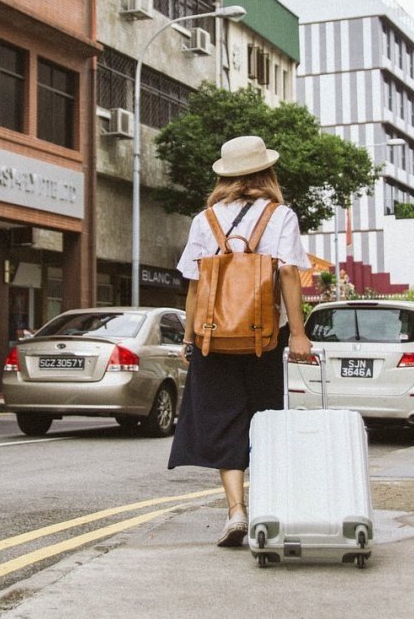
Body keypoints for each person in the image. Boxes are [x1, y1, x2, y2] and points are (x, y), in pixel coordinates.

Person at [168, 135, 312, 548]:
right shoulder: (280, 215)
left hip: (213, 337)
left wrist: (190, 338)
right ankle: (265, 506)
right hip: (262, 338)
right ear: (266, 172)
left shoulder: (205, 219)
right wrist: (298, 334)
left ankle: (236, 511)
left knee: (220, 419)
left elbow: (195, 283)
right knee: (262, 419)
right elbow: (287, 274)